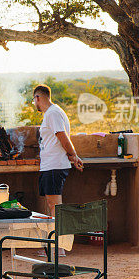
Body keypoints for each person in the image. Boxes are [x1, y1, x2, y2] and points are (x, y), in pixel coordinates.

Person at [33, 84, 84, 256]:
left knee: (55, 206)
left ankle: (58, 247)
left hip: (54, 166)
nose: (35, 104)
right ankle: (53, 245)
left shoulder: (52, 113)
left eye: (34, 101)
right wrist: (71, 157)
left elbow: (63, 137)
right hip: (51, 165)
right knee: (52, 205)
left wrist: (74, 155)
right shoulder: (52, 113)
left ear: (38, 98)